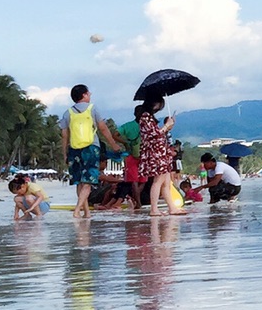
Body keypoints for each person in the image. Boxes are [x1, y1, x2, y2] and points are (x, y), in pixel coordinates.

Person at [58, 85, 122, 214]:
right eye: (88, 93)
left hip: (74, 149)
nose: (90, 95)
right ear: (84, 95)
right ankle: (77, 210)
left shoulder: (67, 113)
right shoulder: (93, 108)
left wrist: (64, 153)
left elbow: (64, 135)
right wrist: (113, 144)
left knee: (78, 181)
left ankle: (86, 212)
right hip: (91, 147)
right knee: (87, 181)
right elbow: (103, 128)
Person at [135, 96, 180, 215]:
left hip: (160, 152)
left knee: (165, 181)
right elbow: (154, 135)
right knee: (158, 181)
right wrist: (166, 126)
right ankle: (154, 208)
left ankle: (172, 207)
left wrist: (168, 126)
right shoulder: (145, 117)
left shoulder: (148, 117)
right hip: (155, 153)